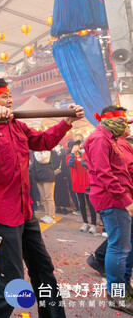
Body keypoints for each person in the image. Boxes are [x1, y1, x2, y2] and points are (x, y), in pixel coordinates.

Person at [0, 78, 84, 318]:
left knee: (44, 270)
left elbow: (43, 141)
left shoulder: (17, 125)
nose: (10, 100)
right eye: (5, 97)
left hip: (26, 211)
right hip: (3, 215)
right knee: (9, 280)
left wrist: (67, 121)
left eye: (10, 96)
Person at [85, 106, 133, 314]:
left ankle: (124, 287)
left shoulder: (111, 139)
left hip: (121, 198)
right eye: (123, 122)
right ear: (111, 122)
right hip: (112, 200)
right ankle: (117, 294)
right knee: (119, 247)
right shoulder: (99, 139)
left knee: (126, 246)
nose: (126, 127)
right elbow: (104, 175)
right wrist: (126, 200)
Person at [67, 140, 97, 233]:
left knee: (90, 204)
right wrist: (72, 153)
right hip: (77, 183)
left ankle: (93, 224)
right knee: (82, 204)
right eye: (75, 145)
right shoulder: (69, 156)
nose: (77, 147)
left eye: (78, 145)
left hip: (87, 183)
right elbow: (70, 164)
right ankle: (85, 222)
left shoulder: (83, 154)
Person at [33, 150, 56, 224]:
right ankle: (47, 214)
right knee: (43, 198)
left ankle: (51, 216)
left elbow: (41, 159)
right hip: (39, 176)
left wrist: (37, 151)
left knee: (49, 197)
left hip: (48, 176)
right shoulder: (35, 152)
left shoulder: (47, 151)